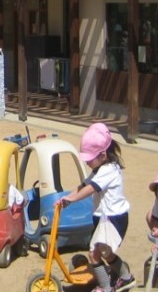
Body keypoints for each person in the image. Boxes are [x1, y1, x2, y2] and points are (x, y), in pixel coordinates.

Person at [57, 122, 135, 292]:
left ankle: (108, 286)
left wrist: (72, 200)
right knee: (103, 253)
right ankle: (123, 277)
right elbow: (83, 185)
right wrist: (66, 197)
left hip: (113, 218)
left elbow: (90, 189)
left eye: (89, 159)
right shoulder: (99, 169)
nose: (87, 163)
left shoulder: (108, 170)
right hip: (103, 218)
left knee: (95, 254)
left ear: (103, 154)